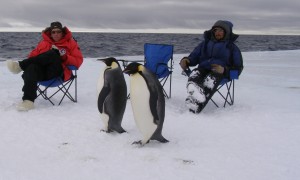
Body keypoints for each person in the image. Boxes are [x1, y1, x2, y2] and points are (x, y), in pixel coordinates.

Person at [6, 21, 83, 111]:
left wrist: (64, 57)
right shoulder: (43, 43)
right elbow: (32, 57)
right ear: (50, 33)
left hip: (59, 73)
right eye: (53, 32)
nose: (56, 34)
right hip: (43, 73)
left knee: (54, 53)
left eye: (58, 31)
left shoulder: (71, 43)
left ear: (62, 32)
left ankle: (20, 66)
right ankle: (28, 102)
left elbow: (78, 61)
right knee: (31, 68)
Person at [179, 20, 243, 113]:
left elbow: (238, 68)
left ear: (226, 32)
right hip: (203, 69)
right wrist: (186, 60)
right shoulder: (205, 44)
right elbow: (194, 56)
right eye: (216, 30)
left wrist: (224, 70)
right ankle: (195, 92)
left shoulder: (232, 48)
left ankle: (196, 106)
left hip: (219, 73)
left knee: (210, 80)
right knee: (195, 74)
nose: (218, 33)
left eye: (221, 31)